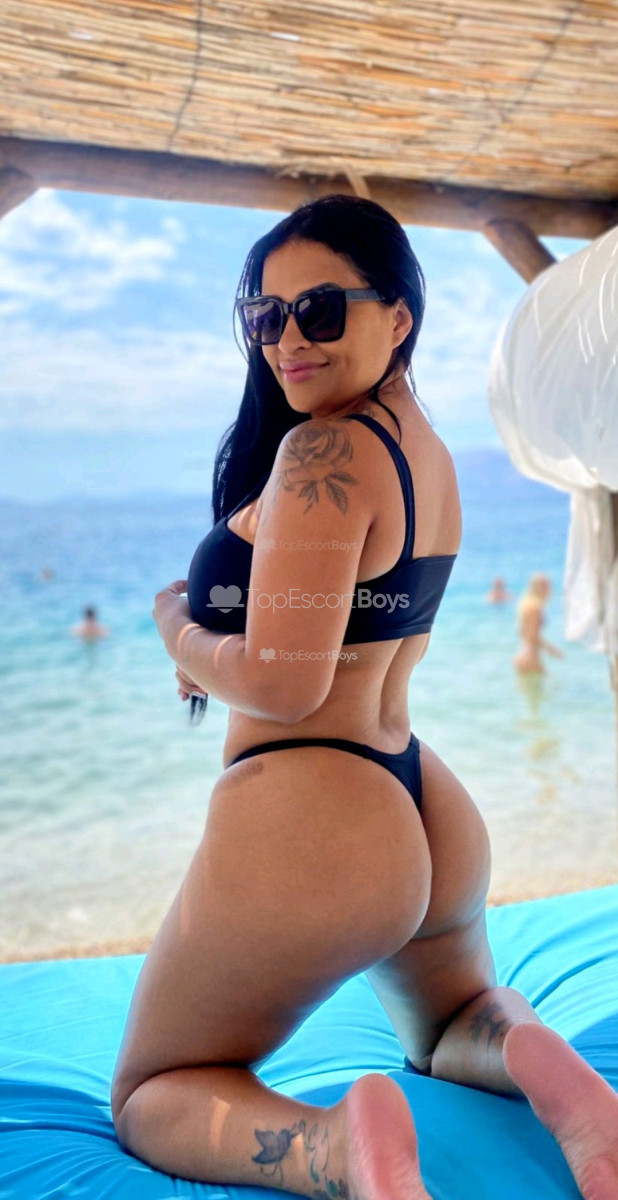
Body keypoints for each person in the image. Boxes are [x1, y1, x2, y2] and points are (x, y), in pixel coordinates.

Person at [110, 195, 618, 1200]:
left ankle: (339, 1148)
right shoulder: (424, 450)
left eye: (321, 309)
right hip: (420, 798)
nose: (288, 339)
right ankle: (552, 1075)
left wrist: (178, 631)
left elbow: (285, 683)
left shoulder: (324, 451)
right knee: (447, 1025)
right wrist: (226, 641)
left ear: (399, 316)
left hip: (318, 814)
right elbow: (344, 628)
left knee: (150, 1090)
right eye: (266, 317)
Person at [514, 573, 563, 674]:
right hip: (530, 658)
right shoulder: (535, 608)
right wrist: (552, 650)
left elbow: (521, 632)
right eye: (546, 586)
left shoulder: (526, 605)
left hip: (524, 654)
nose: (550, 590)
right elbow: (533, 636)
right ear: (539, 588)